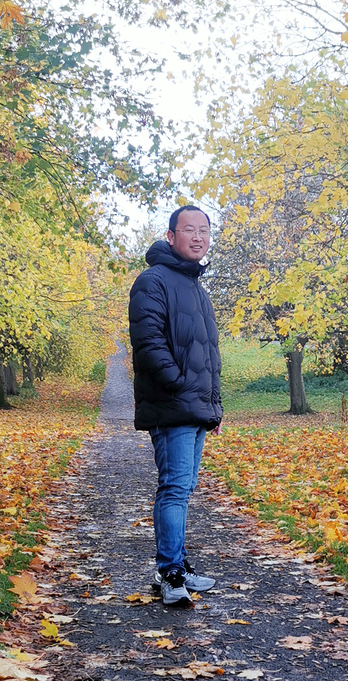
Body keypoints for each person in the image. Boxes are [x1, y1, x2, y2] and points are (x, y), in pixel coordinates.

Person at [129, 205, 223, 606]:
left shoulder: (196, 287)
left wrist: (214, 406)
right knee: (174, 488)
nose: (198, 237)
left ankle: (177, 565)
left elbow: (209, 356)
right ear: (171, 236)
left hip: (195, 407)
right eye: (189, 230)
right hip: (172, 406)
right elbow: (148, 343)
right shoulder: (152, 281)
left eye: (204, 230)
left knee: (183, 489)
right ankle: (169, 573)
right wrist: (179, 385)